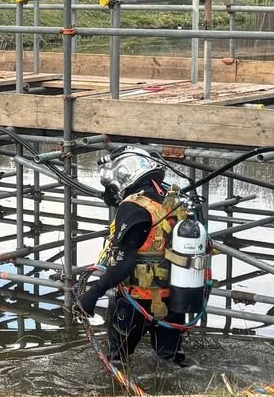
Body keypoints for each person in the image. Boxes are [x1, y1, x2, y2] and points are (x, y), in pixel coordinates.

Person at [75, 149, 192, 371]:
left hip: (135, 301)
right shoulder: (175, 203)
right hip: (174, 299)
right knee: (171, 364)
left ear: (123, 175)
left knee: (116, 361)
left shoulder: (133, 206)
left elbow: (124, 262)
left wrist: (92, 295)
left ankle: (120, 396)